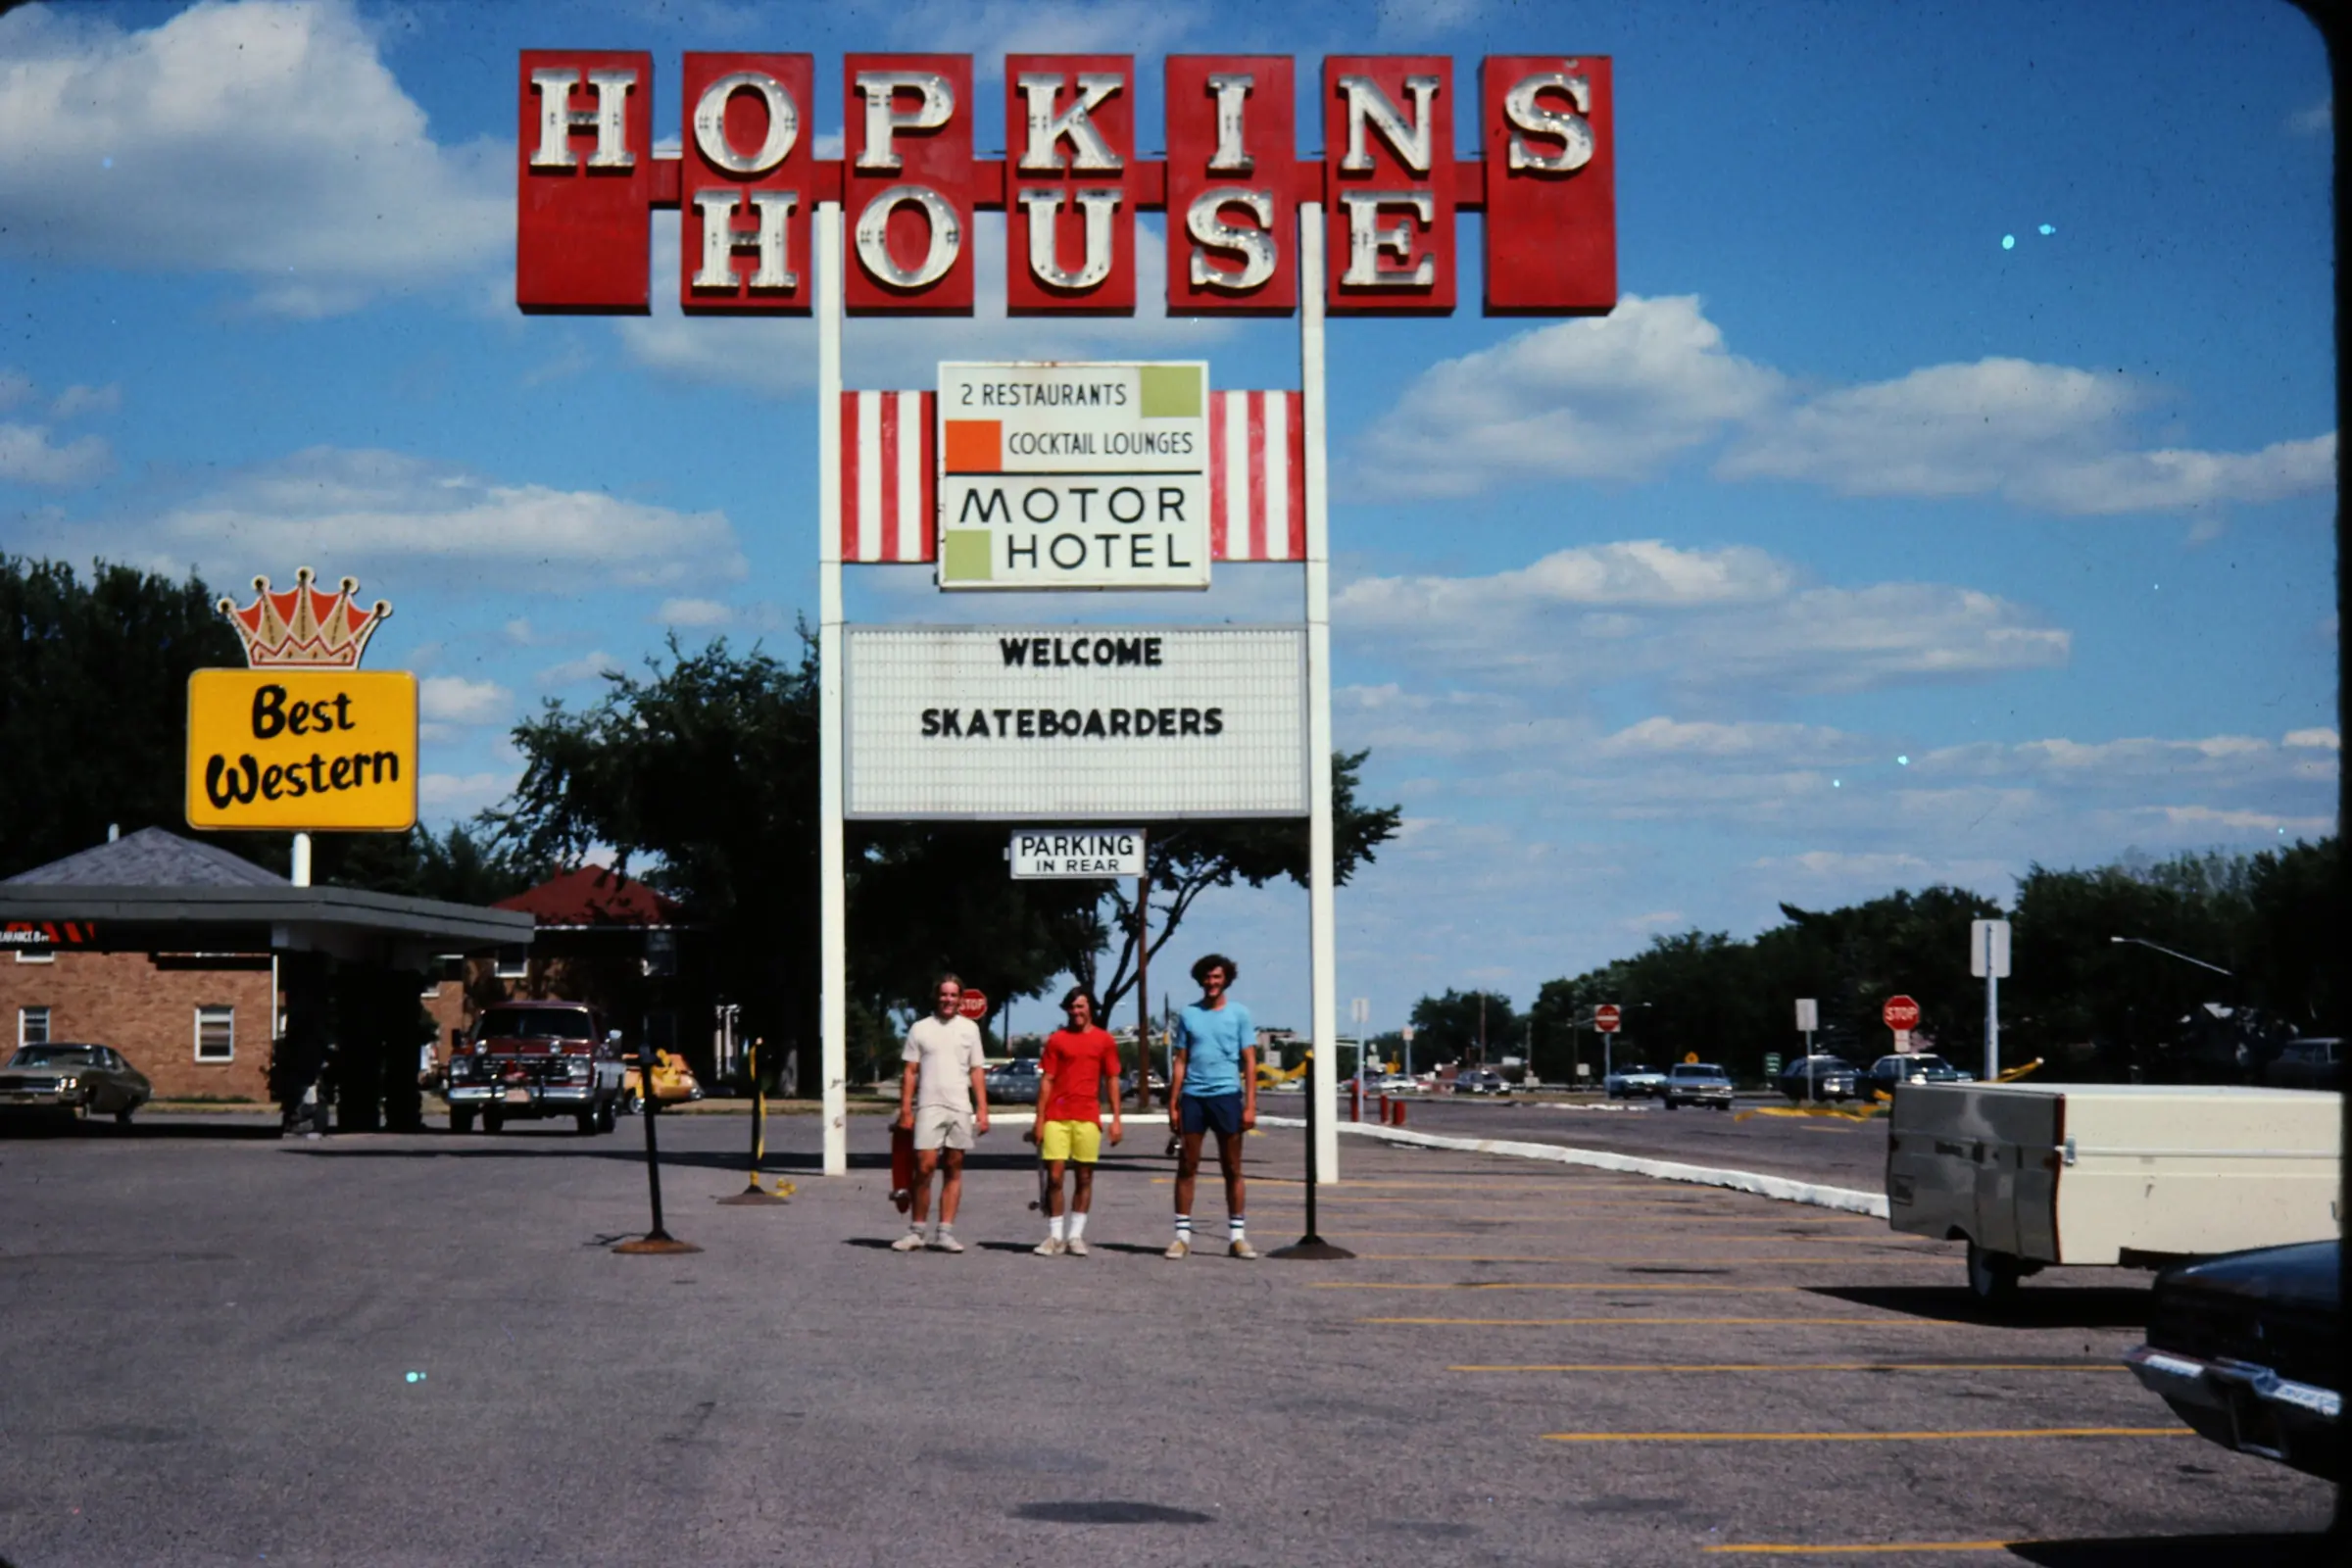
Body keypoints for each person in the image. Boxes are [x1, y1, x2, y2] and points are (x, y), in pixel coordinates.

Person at [1165, 953, 1257, 1259]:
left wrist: (1251, 1105)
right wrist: (1173, 1102)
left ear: (1226, 979)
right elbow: (1180, 1060)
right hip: (1193, 1096)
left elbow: (1249, 1060)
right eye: (1207, 977)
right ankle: (1181, 1237)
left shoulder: (1240, 1014)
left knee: (1232, 1167)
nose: (1212, 982)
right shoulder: (1189, 1014)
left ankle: (1237, 1237)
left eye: (1217, 977)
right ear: (1200, 980)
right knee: (1187, 1166)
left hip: (1227, 1095)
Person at [892, 974, 990, 1252]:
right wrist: (905, 1110)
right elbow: (910, 1072)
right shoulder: (920, 1029)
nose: (948, 1000)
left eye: (953, 995)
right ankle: (916, 1230)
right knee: (924, 1166)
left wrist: (983, 1110)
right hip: (929, 1105)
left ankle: (945, 1232)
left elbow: (976, 1071)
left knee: (954, 1167)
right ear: (937, 997)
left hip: (959, 1105)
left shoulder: (970, 1029)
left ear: (961, 999)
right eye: (944, 995)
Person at [1027, 988, 1123, 1256]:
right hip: (1057, 1116)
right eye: (1072, 1007)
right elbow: (1046, 1080)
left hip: (1087, 1116)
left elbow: (1112, 1079)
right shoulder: (1057, 1040)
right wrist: (1039, 1119)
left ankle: (1075, 1236)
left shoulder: (1104, 1040)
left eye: (1081, 1006)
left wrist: (1116, 1119)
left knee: (1084, 1176)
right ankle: (1055, 1236)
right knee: (1055, 1177)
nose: (1077, 1011)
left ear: (1090, 1008)